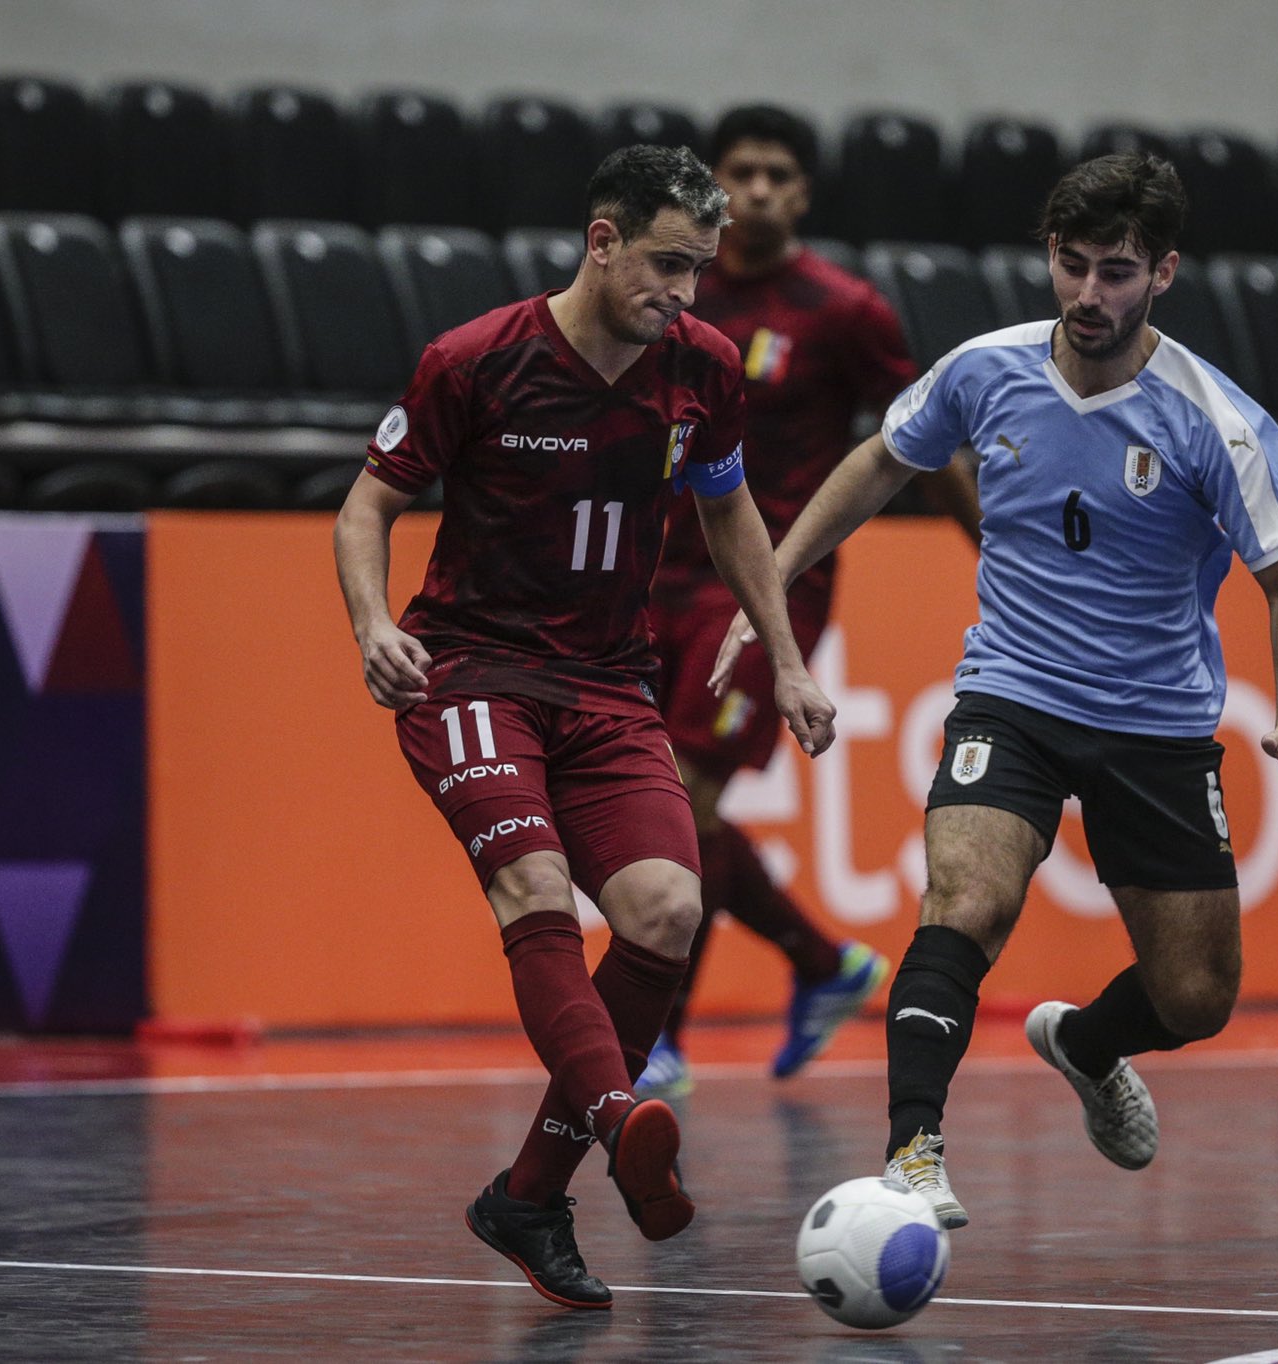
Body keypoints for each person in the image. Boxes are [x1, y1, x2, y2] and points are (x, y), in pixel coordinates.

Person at [712, 153, 1278, 1229]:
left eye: (1118, 272)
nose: (1090, 295)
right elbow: (876, 462)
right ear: (1048, 256)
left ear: (1164, 273)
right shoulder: (982, 370)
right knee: (963, 901)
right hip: (1013, 695)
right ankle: (911, 1154)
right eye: (1072, 265)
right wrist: (773, 592)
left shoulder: (1212, 419)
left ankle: (1084, 1043)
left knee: (1194, 997)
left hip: (1155, 724)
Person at [333, 144, 837, 1309]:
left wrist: (790, 657)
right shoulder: (475, 360)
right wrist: (371, 624)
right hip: (470, 671)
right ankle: (619, 1120)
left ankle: (526, 1193)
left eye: (702, 270)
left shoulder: (703, 367)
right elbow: (369, 504)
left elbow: (730, 511)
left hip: (610, 681)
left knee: (667, 908)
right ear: (600, 241)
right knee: (536, 890)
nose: (686, 292)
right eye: (668, 263)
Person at [639, 104, 977, 1099]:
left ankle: (661, 1036)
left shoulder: (843, 309)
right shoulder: (673, 293)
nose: (756, 188)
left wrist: (997, 553)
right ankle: (824, 961)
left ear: (802, 192)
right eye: (738, 169)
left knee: (682, 797)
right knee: (648, 803)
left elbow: (924, 437)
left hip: (765, 588)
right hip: (651, 575)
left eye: (777, 173)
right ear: (711, 181)